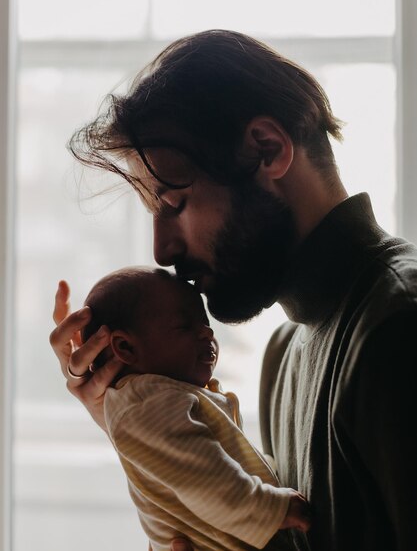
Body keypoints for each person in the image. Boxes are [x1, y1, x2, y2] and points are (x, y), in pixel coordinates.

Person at [50, 29, 417, 551]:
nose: (161, 250)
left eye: (173, 203)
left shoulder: (398, 328)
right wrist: (145, 434)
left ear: (267, 150)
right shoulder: (284, 352)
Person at [80, 265, 310, 551]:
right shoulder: (147, 404)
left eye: (204, 322)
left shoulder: (164, 399)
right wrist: (272, 508)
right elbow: (205, 481)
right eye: (184, 325)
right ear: (125, 347)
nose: (206, 332)